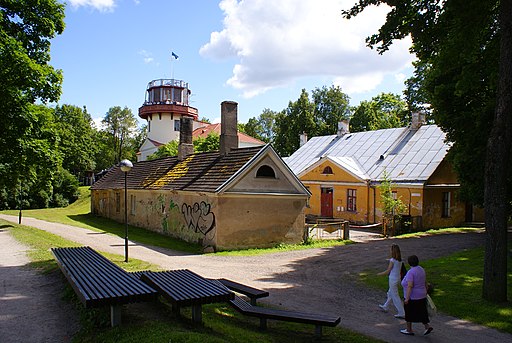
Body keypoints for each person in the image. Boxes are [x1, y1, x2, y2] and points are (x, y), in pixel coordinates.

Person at [400, 255, 433, 336]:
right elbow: (425, 281)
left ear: (409, 263)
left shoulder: (411, 272)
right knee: (422, 311)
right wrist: (426, 291)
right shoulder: (421, 269)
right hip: (422, 295)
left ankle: (409, 329)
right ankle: (427, 326)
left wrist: (407, 298)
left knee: (408, 312)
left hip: (413, 296)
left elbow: (410, 286)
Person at [377, 243, 406, 319]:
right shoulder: (400, 261)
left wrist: (380, 274)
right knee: (390, 293)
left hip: (392, 279)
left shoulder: (392, 260)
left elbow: (388, 270)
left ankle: (401, 312)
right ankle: (386, 306)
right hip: (398, 278)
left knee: (395, 295)